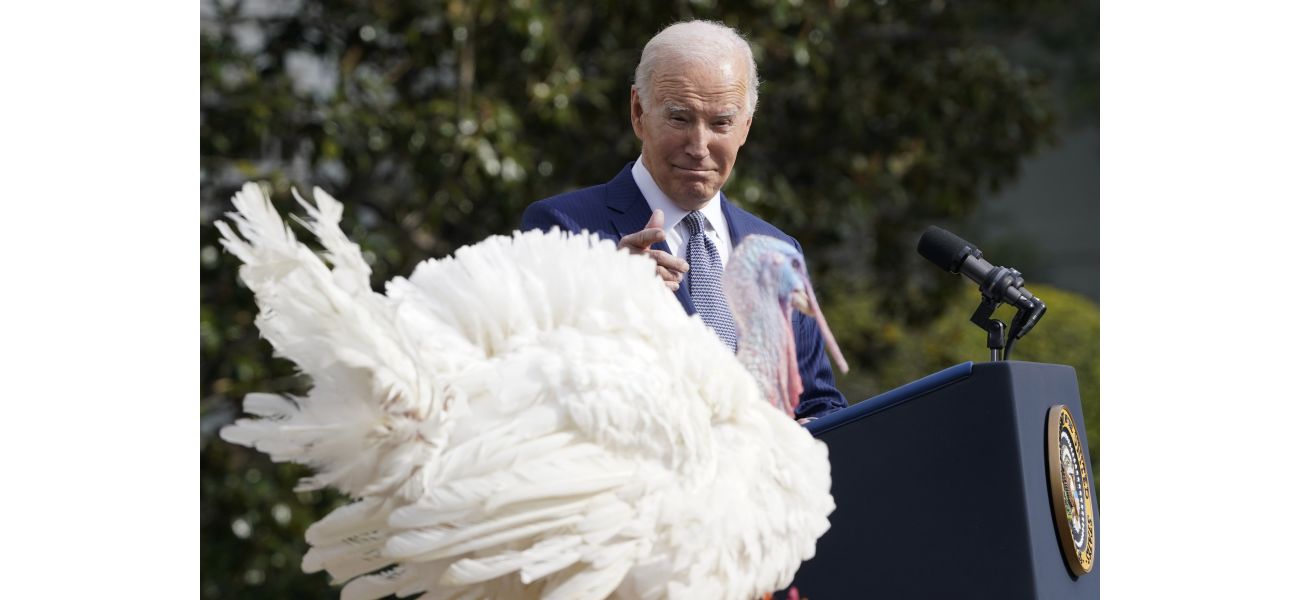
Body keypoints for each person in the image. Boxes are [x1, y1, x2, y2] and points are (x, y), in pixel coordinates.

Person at [520, 20, 846, 420]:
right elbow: (527, 385)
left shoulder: (776, 251)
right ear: (639, 112)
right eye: (679, 118)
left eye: (721, 123)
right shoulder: (564, 229)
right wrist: (607, 298)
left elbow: (818, 404)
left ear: (745, 126)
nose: (699, 146)